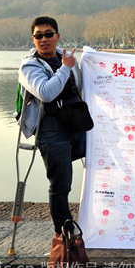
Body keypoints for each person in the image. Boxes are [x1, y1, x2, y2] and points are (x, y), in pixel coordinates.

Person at [18, 16, 86, 236]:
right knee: (61, 184)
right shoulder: (29, 65)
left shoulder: (67, 58)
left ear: (57, 36)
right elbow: (46, 93)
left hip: (76, 125)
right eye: (39, 36)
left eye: (48, 34)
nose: (44, 39)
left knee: (99, 168)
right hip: (50, 130)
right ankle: (64, 234)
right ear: (33, 39)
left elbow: (84, 86)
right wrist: (65, 69)